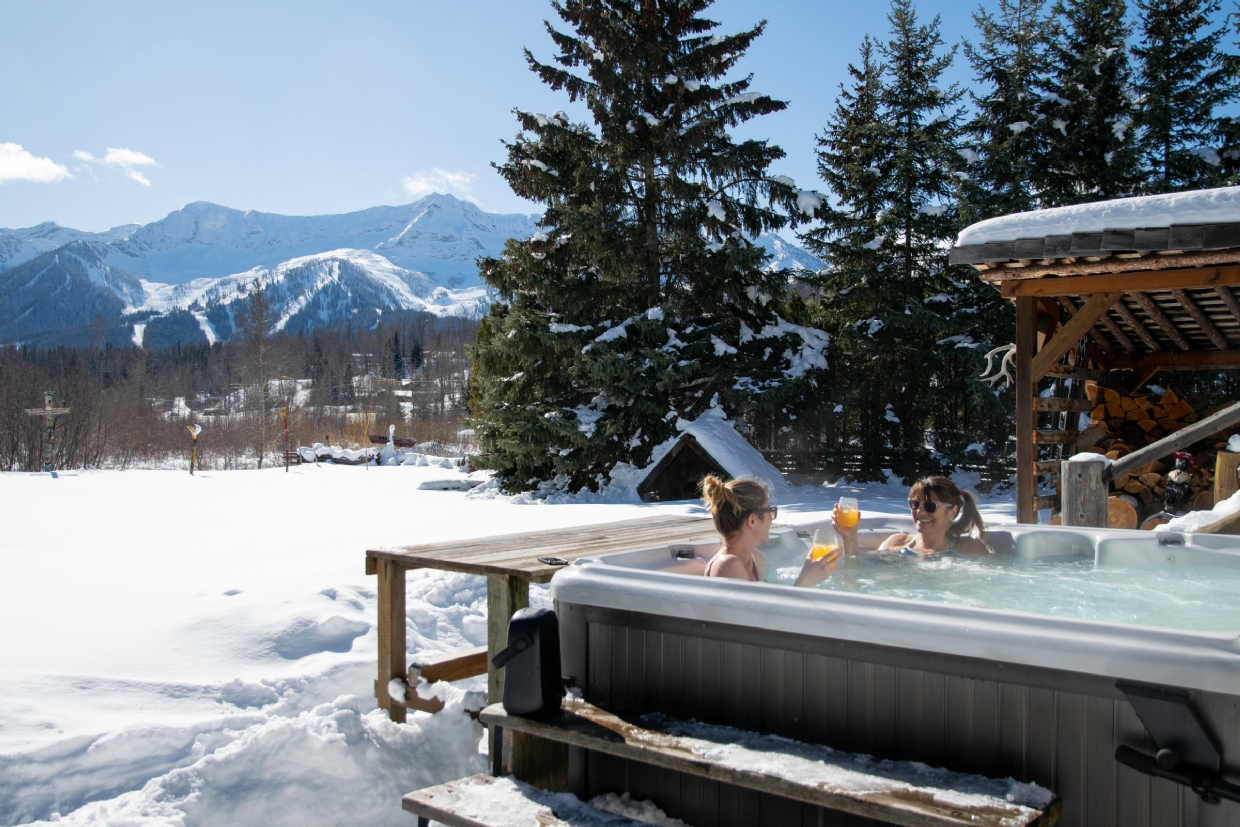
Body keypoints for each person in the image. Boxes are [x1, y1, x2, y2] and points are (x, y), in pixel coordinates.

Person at [700, 475, 841, 587]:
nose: (771, 518)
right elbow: (756, 620)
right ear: (753, 520)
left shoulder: (755, 559)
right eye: (769, 511)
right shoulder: (728, 565)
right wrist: (806, 580)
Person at [831, 475, 988, 556]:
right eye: (914, 504)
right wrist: (849, 537)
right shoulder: (895, 543)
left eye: (930, 506)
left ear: (952, 512)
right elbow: (856, 574)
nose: (920, 511)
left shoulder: (970, 549)